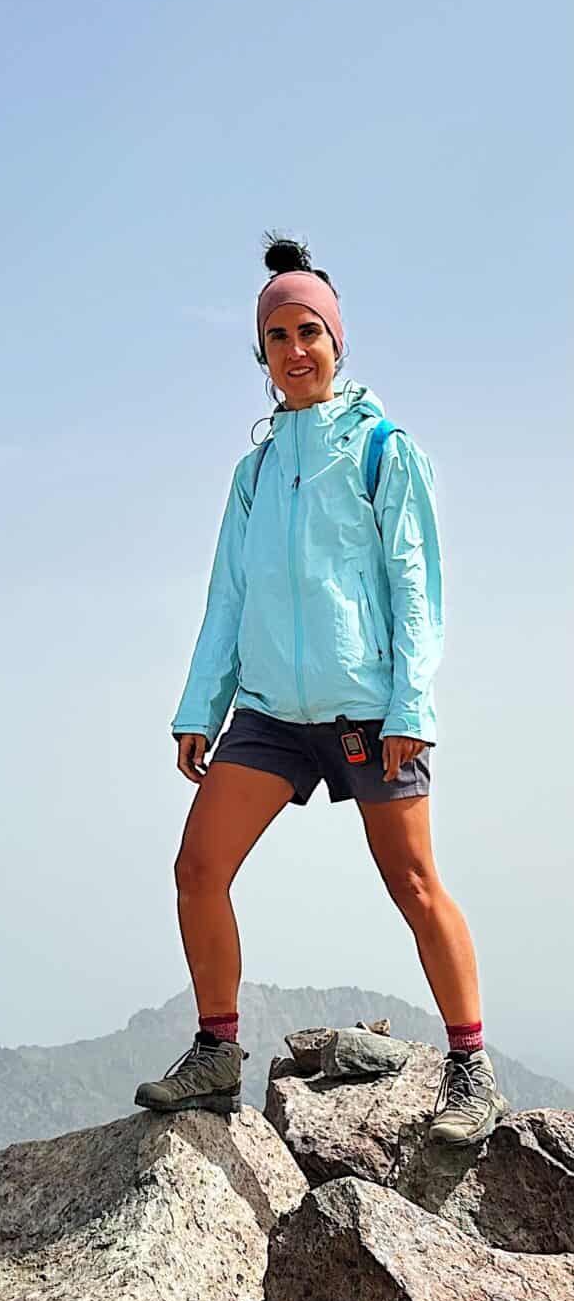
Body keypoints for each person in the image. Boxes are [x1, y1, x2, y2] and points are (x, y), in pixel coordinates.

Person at [135, 236, 505, 1146]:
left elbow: (416, 588)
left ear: (338, 342)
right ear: (259, 353)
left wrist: (412, 708)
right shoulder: (254, 472)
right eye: (277, 335)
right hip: (266, 712)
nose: (295, 349)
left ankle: (471, 1068)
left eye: (311, 332)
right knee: (197, 869)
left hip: (368, 709)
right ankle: (217, 1052)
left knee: (414, 883)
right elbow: (229, 595)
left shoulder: (384, 451)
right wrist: (202, 706)